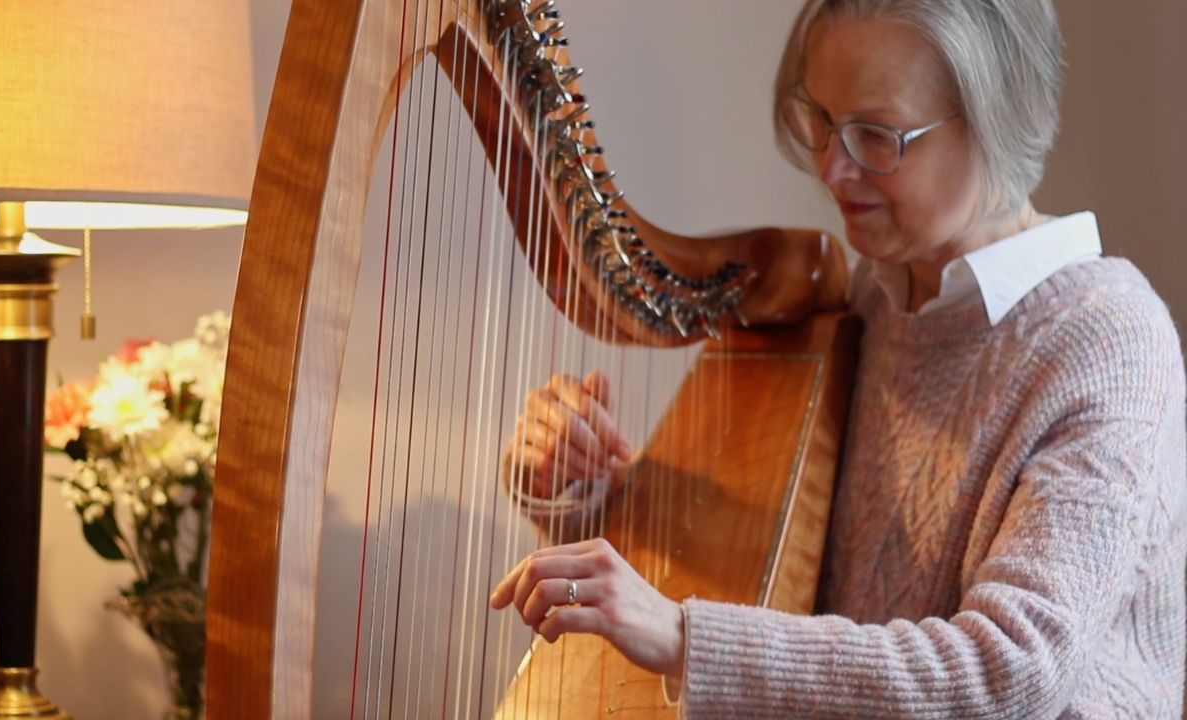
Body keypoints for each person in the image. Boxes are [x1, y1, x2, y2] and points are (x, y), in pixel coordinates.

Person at [489, 0, 1187, 717]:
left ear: (994, 123)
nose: (831, 168)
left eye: (876, 135)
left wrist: (680, 634)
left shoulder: (1108, 341)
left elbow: (1010, 671)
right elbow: (787, 576)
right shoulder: (876, 301)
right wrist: (587, 488)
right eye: (820, 118)